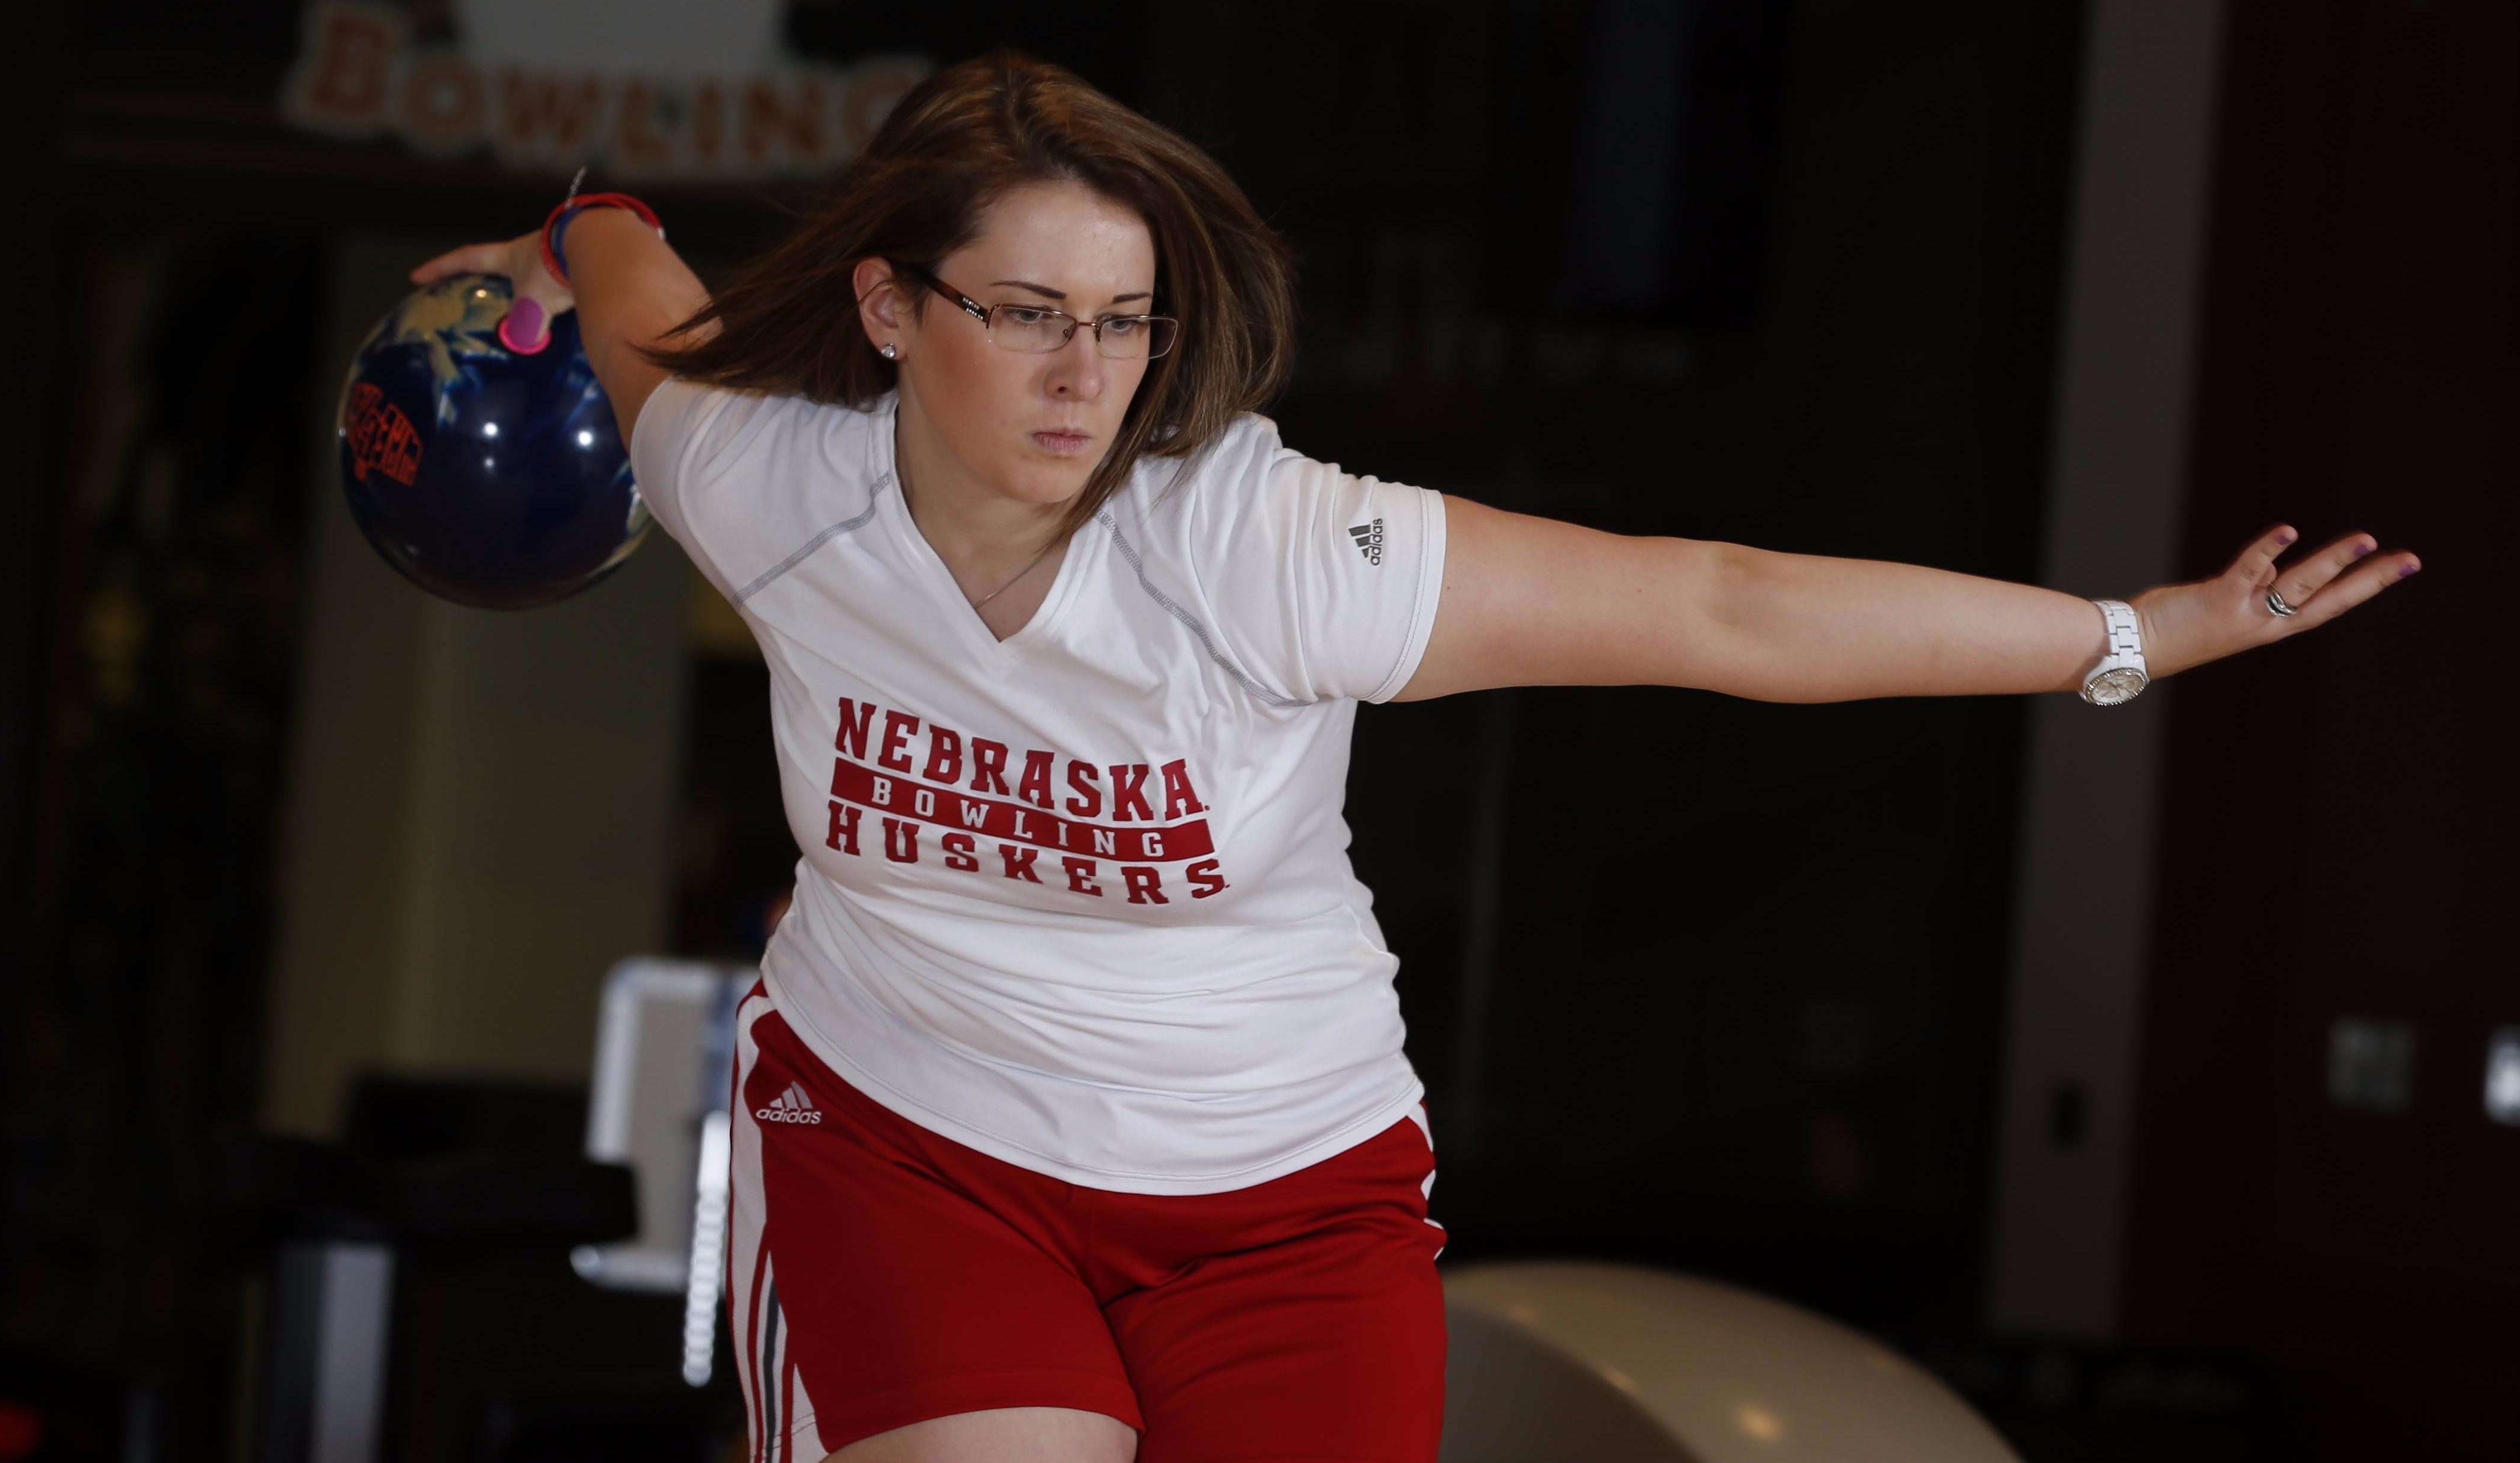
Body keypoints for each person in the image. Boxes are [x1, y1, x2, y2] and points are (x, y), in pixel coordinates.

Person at [413, 54, 2419, 1463]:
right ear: (883, 305)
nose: (1076, 375)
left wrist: (2127, 639)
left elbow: (1709, 606)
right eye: (1020, 311)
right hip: (914, 1141)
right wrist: (557, 222)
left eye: (1120, 321)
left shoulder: (1255, 551)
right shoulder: (766, 478)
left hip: (1278, 1193)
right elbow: (624, 287)